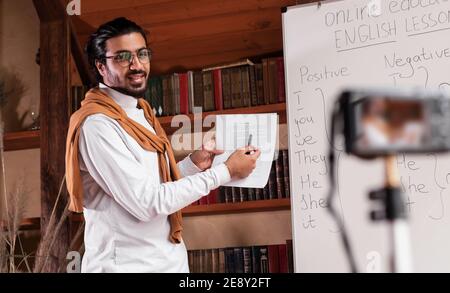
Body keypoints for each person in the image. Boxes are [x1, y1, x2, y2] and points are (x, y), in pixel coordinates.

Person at [65, 17, 260, 273]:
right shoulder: (98, 125)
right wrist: (225, 172)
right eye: (123, 57)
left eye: (142, 54)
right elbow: (148, 203)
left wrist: (193, 163)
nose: (137, 65)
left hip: (170, 264)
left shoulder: (141, 112)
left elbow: (153, 184)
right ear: (101, 66)